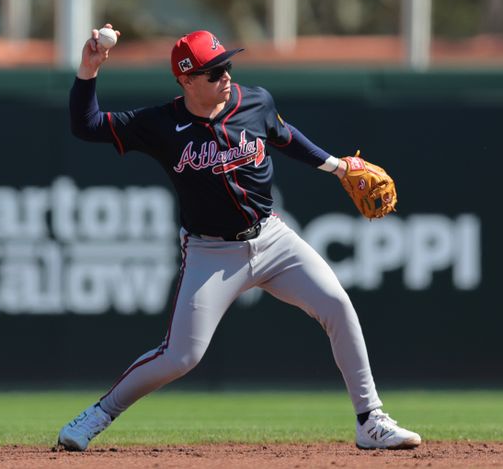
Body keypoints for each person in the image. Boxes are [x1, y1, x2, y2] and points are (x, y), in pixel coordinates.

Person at [57, 25, 421, 451]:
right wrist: (88, 70)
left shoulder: (255, 101)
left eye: (227, 65)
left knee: (338, 305)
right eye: (213, 72)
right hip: (212, 252)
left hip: (273, 238)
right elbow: (87, 125)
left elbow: (285, 137)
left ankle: (370, 420)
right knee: (181, 356)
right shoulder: (159, 124)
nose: (226, 76)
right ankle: (97, 415)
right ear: (187, 80)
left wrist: (338, 167)